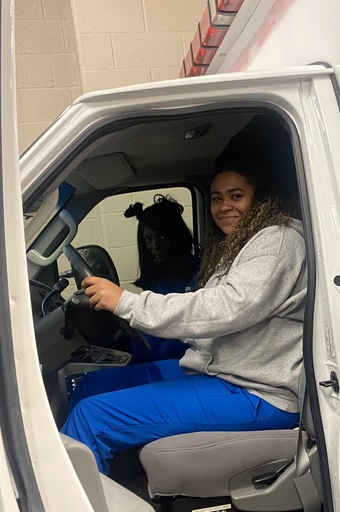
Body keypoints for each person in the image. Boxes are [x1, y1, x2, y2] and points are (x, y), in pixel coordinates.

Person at [62, 164, 306, 474]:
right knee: (90, 386)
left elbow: (229, 306)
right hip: (219, 371)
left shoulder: (278, 239)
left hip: (259, 393)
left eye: (236, 196)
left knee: (91, 417)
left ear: (261, 199)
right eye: (216, 198)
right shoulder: (243, 243)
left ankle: (71, 505)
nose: (224, 206)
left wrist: (127, 303)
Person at [124, 194, 201, 361]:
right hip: (161, 339)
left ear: (176, 236)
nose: (155, 246)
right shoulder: (153, 276)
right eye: (148, 239)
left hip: (191, 340)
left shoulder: (199, 270)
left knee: (167, 349)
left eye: (162, 237)